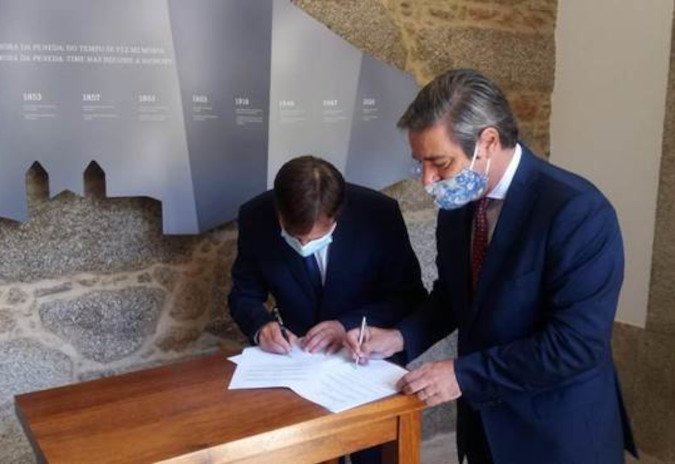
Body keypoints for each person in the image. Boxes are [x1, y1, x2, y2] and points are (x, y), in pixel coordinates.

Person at [346, 69, 638, 464]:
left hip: (558, 433)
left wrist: (463, 375)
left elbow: (575, 344)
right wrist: (399, 337)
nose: (428, 182)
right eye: (420, 165)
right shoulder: (459, 206)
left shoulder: (576, 211)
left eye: (439, 163)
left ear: (488, 141)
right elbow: (454, 296)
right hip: (485, 428)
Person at [229, 155, 427, 464]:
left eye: (317, 237)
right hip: (298, 370)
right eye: (295, 237)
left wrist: (345, 325)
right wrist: (261, 326)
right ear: (278, 212)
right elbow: (243, 294)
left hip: (366, 367)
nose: (305, 243)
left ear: (338, 215)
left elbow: (408, 296)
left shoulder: (378, 214)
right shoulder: (255, 216)